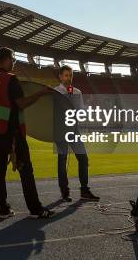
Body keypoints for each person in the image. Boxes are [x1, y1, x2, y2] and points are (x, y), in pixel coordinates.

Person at [0, 47, 55, 219]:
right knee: (26, 170)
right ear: (6, 60)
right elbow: (21, 104)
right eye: (13, 59)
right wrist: (41, 93)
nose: (14, 63)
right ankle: (35, 209)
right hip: (11, 133)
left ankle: (3, 209)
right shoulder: (10, 80)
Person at [53, 65, 100, 202]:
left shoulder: (78, 92)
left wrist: (86, 109)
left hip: (74, 130)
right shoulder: (55, 92)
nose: (69, 78)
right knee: (62, 160)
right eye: (66, 75)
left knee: (83, 159)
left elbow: (80, 111)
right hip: (60, 130)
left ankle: (84, 190)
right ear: (60, 77)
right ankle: (64, 191)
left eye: (70, 75)